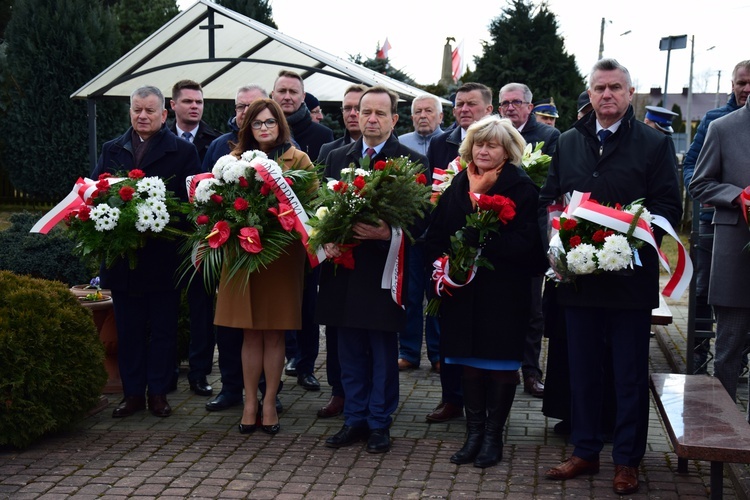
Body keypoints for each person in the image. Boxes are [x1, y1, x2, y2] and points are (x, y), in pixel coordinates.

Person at [540, 58, 681, 495]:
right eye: (600, 88)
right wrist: (561, 240)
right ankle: (584, 450)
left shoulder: (653, 145)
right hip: (579, 282)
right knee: (582, 371)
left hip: (628, 281)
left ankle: (626, 460)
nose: (607, 95)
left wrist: (626, 245)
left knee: (628, 375)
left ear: (630, 92)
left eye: (616, 87)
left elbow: (667, 209)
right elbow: (550, 197)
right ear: (590, 92)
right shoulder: (567, 142)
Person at [426, 115, 544, 468]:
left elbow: (531, 244)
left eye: (492, 145)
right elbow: (439, 229)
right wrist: (444, 261)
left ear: (507, 151)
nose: (483, 150)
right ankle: (473, 434)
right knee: (469, 364)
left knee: (500, 366)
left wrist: (488, 240)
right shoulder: (460, 182)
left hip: (503, 294)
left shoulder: (521, 187)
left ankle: (493, 437)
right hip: (463, 292)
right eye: (479, 144)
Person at [317, 86, 428, 454]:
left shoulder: (410, 161)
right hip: (343, 271)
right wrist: (325, 239)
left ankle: (379, 422)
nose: (371, 119)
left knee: (381, 351)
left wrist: (388, 231)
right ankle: (355, 418)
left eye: (381, 113)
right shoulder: (336, 157)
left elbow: (422, 222)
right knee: (347, 348)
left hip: (384, 272)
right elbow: (320, 210)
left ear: (395, 119)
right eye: (366, 112)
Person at [92, 85, 202, 418]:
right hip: (123, 258)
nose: (142, 116)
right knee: (128, 331)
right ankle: (132, 395)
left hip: (162, 259)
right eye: (137, 110)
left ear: (164, 114)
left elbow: (189, 204)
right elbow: (96, 191)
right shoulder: (113, 149)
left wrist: (156, 216)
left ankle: (158, 393)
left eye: (149, 110)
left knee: (164, 331)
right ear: (130, 112)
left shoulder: (182, 153)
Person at [213, 98, 315, 435]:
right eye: (257, 124)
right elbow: (219, 207)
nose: (264, 129)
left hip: (281, 257)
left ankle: (269, 402)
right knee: (249, 334)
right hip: (243, 256)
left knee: (274, 334)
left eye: (270, 122)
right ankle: (249, 402)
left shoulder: (298, 159)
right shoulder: (233, 160)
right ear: (248, 128)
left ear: (281, 125)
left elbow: (310, 206)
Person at [424, 82, 494, 424]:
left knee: (482, 329)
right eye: (459, 105)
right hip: (447, 247)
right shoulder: (441, 142)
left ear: (488, 110)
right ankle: (450, 397)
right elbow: (430, 191)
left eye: (471, 104)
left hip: (487, 248)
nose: (464, 110)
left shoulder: (502, 144)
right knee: (445, 327)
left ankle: (482, 404)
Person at [203, 84, 268, 413]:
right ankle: (231, 387)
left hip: (268, 254)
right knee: (229, 325)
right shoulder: (220, 146)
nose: (245, 112)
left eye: (252, 107)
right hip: (229, 252)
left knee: (266, 326)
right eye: (241, 107)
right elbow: (203, 194)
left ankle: (267, 391)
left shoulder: (281, 148)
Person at [682, 60, 750, 375]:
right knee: (729, 348)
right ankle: (722, 422)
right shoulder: (721, 126)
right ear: (734, 85)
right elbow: (698, 179)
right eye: (743, 83)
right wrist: (737, 196)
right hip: (732, 245)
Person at [272, 70, 334, 391]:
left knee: (309, 306)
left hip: (306, 237)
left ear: (303, 96)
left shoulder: (322, 135)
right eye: (281, 90)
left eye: (293, 92)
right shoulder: (261, 137)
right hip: (271, 242)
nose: (287, 96)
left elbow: (322, 188)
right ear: (272, 95)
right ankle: (279, 366)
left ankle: (307, 365)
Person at [498, 82, 561, 400]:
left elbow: (554, 187)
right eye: (504, 103)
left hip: (534, 235)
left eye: (516, 102)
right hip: (499, 233)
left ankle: (531, 372)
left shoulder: (550, 138)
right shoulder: (493, 134)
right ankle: (500, 367)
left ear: (529, 106)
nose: (510, 108)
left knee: (533, 309)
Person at [315, 84, 368, 420]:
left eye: (357, 108)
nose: (352, 114)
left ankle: (367, 398)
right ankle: (339, 391)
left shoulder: (395, 155)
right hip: (336, 259)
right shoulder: (330, 151)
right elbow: (318, 202)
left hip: (373, 259)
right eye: (348, 108)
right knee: (335, 330)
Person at [168, 79, 221, 398]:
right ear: (173, 105)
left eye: (199, 102)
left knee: (202, 308)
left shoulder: (214, 142)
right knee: (169, 307)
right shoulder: (160, 140)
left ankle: (200, 372)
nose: (195, 106)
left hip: (203, 238)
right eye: (188, 101)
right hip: (168, 236)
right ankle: (169, 368)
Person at [396, 94, 444, 374]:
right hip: (411, 233)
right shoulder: (401, 144)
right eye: (417, 111)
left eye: (429, 111)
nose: (423, 115)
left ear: (441, 116)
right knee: (411, 295)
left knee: (436, 294)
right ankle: (409, 352)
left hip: (439, 234)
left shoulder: (452, 143)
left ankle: (438, 353)